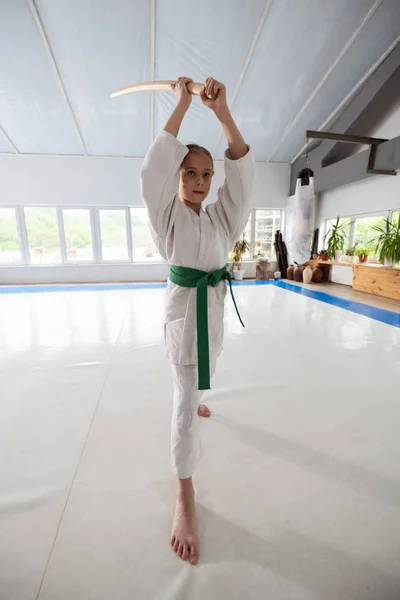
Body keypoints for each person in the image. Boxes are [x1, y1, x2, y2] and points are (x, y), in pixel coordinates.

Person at [141, 76, 254, 565]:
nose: (202, 181)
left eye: (208, 174)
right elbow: (153, 173)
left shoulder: (220, 219)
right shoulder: (169, 215)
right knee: (184, 403)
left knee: (199, 378)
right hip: (183, 318)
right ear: (178, 177)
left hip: (209, 317)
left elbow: (243, 181)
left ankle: (196, 397)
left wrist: (222, 114)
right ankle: (184, 496)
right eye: (191, 173)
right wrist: (184, 105)